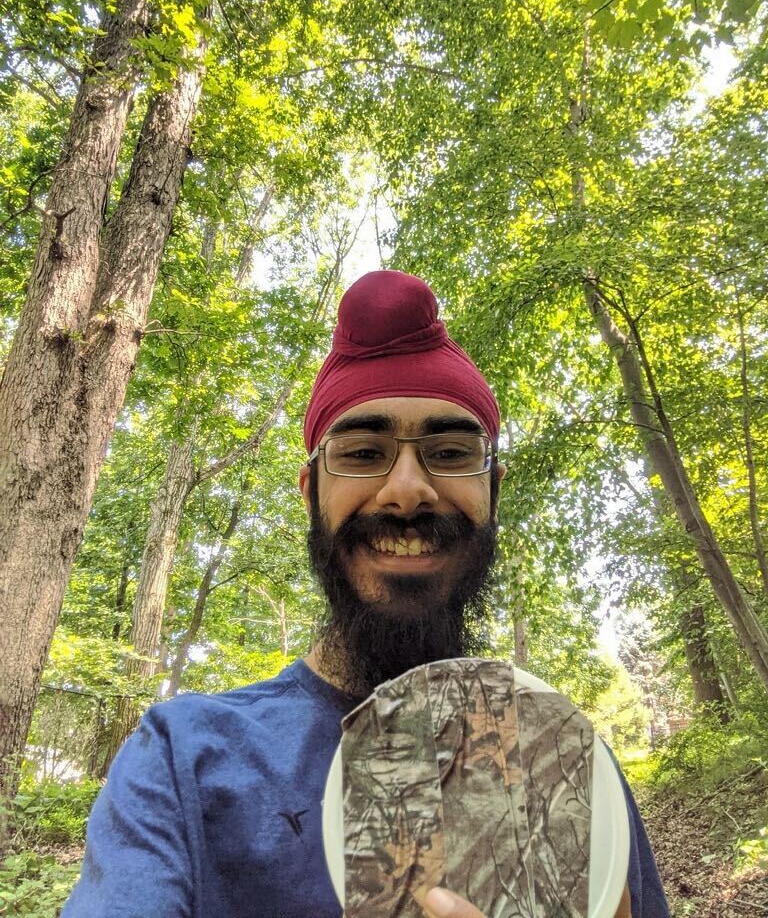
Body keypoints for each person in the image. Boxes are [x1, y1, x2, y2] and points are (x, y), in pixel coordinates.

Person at [62, 270, 669, 918]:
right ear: (310, 495)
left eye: (450, 451)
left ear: (495, 493)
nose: (407, 489)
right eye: (362, 452)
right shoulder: (182, 760)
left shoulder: (562, 758)